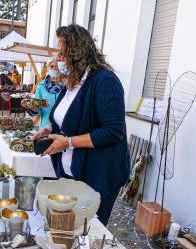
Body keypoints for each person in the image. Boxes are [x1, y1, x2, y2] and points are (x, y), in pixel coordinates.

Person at [32, 25, 130, 225]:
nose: (58, 58)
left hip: (98, 173)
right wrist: (51, 129)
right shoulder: (72, 81)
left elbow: (112, 132)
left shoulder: (105, 82)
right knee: (66, 225)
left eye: (62, 53)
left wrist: (67, 142)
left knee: (88, 229)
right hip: (70, 170)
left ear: (77, 53)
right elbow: (68, 118)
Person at [29, 60, 63, 129]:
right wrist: (35, 109)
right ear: (48, 68)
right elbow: (38, 108)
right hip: (45, 126)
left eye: (57, 66)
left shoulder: (67, 85)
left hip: (62, 126)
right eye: (52, 66)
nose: (54, 68)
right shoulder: (41, 85)